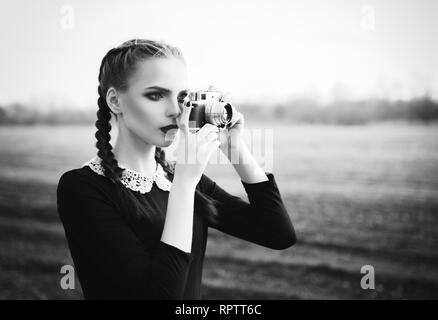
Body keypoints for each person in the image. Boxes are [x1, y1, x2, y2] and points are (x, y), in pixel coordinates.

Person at [56, 38, 296, 300]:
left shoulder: (179, 176)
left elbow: (278, 234)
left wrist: (234, 149)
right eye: (156, 95)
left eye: (182, 96)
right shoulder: (82, 188)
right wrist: (183, 184)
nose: (175, 110)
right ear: (115, 101)